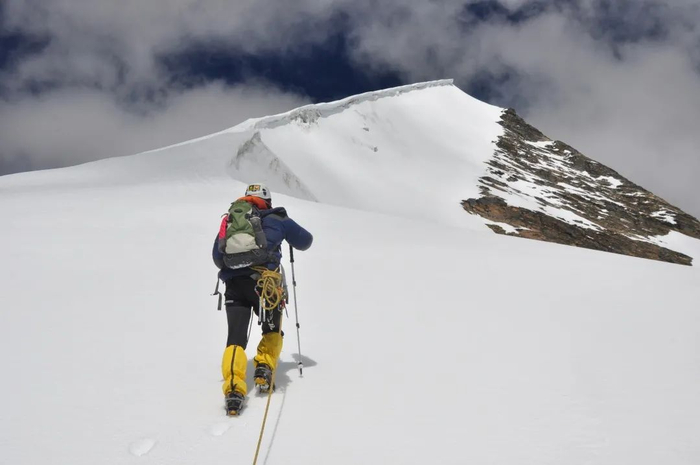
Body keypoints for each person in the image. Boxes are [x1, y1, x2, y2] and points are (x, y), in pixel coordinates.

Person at [212, 183, 313, 415]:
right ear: (267, 201)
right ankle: (264, 367)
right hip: (265, 284)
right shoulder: (278, 218)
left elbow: (217, 257)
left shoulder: (230, 220)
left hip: (234, 286)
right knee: (272, 329)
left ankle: (234, 388)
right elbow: (306, 241)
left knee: (235, 338)